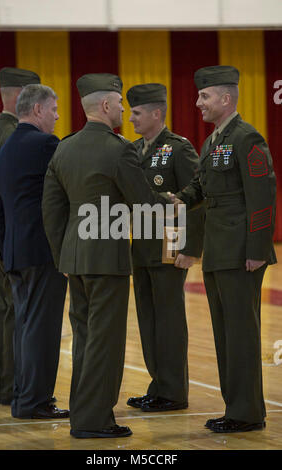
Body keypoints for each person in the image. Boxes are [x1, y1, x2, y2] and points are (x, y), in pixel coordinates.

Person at [42, 73, 172, 438]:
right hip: (107, 259)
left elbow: (51, 211)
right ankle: (94, 421)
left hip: (74, 259)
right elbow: (143, 202)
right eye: (118, 105)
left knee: (85, 340)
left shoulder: (63, 148)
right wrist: (171, 201)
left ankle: (82, 415)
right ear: (104, 105)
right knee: (105, 344)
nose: (122, 112)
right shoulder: (119, 149)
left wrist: (62, 257)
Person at [172, 65, 277, 433]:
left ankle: (246, 412)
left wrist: (258, 249)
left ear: (225, 98)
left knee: (241, 334)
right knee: (224, 333)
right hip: (219, 249)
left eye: (204, 96)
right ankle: (236, 408)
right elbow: (201, 188)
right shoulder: (213, 140)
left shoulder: (247, 137)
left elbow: (262, 196)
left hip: (241, 253)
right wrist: (176, 199)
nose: (197, 102)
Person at [0, 84, 69, 419]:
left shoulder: (5, 148)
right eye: (53, 110)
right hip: (42, 251)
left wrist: (8, 246)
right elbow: (63, 192)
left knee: (24, 327)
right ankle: (34, 402)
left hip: (14, 251)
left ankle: (24, 397)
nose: (56, 116)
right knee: (42, 329)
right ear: (37, 109)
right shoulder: (45, 144)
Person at [125, 83, 204, 412]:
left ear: (157, 113)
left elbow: (197, 198)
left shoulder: (178, 148)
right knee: (148, 318)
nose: (131, 119)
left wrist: (191, 248)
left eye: (137, 113)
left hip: (171, 243)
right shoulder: (133, 149)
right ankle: (158, 385)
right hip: (140, 245)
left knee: (168, 319)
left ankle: (173, 393)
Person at [0, 67, 41, 405]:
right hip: (14, 232)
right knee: (19, 313)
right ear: (20, 95)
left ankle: (8, 388)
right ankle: (19, 387)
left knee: (5, 313)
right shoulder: (13, 134)